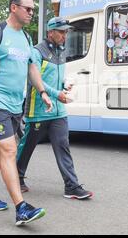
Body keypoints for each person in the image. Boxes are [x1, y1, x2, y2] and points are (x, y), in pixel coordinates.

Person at [0, 0, 53, 226]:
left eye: (33, 10)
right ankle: (21, 208)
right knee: (8, 149)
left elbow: (32, 69)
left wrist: (44, 93)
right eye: (28, 9)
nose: (31, 13)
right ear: (14, 8)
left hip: (17, 105)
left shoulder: (26, 38)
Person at [16, 17, 93, 200]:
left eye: (66, 31)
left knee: (63, 146)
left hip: (59, 111)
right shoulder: (36, 51)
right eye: (61, 31)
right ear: (50, 33)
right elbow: (36, 81)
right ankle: (16, 177)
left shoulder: (61, 51)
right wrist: (56, 94)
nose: (65, 35)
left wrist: (65, 84)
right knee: (28, 146)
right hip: (38, 110)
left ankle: (71, 186)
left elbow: (55, 77)